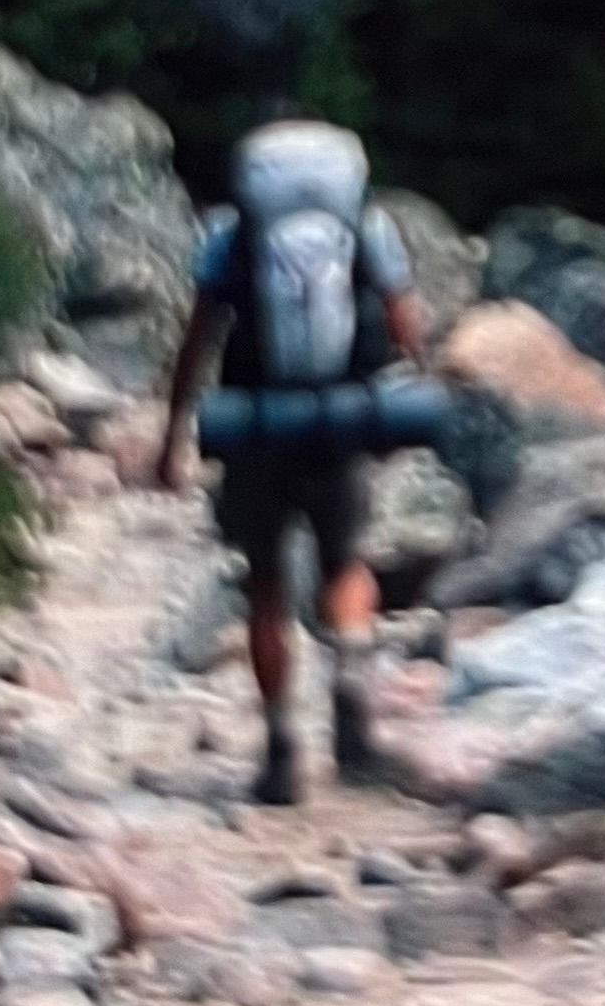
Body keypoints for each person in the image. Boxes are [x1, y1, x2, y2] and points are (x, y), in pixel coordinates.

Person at [158, 118, 429, 805]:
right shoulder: (368, 228)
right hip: (339, 420)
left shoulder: (230, 236)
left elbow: (198, 338)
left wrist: (174, 432)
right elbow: (404, 326)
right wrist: (407, 392)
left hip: (255, 424)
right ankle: (350, 671)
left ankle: (281, 747)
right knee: (345, 563)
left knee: (267, 585)